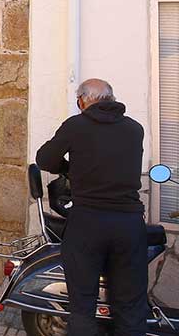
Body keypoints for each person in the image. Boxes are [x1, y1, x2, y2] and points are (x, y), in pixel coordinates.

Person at [35, 78, 147, 336]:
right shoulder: (134, 129)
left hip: (88, 222)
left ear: (82, 100)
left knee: (83, 305)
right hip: (128, 224)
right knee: (130, 306)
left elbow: (45, 158)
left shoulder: (76, 126)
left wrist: (69, 170)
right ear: (112, 98)